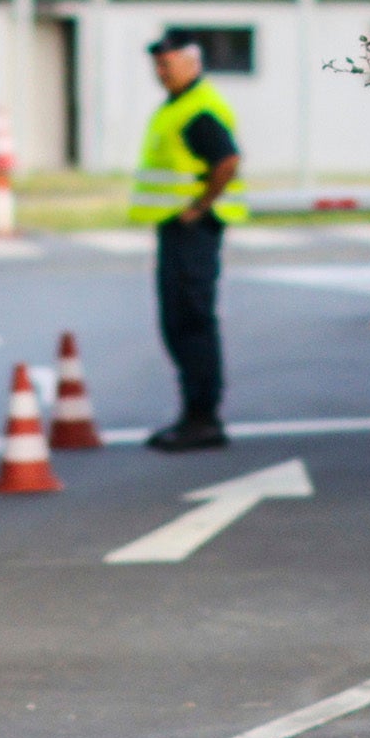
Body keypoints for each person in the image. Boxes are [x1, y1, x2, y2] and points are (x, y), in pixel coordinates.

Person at [125, 29, 246, 451]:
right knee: (178, 322)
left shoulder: (197, 109)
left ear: (192, 62)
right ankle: (194, 415)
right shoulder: (176, 106)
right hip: (178, 227)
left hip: (193, 229)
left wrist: (198, 206)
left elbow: (226, 160)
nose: (160, 71)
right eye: (157, 64)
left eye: (167, 63)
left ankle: (202, 419)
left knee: (191, 321)